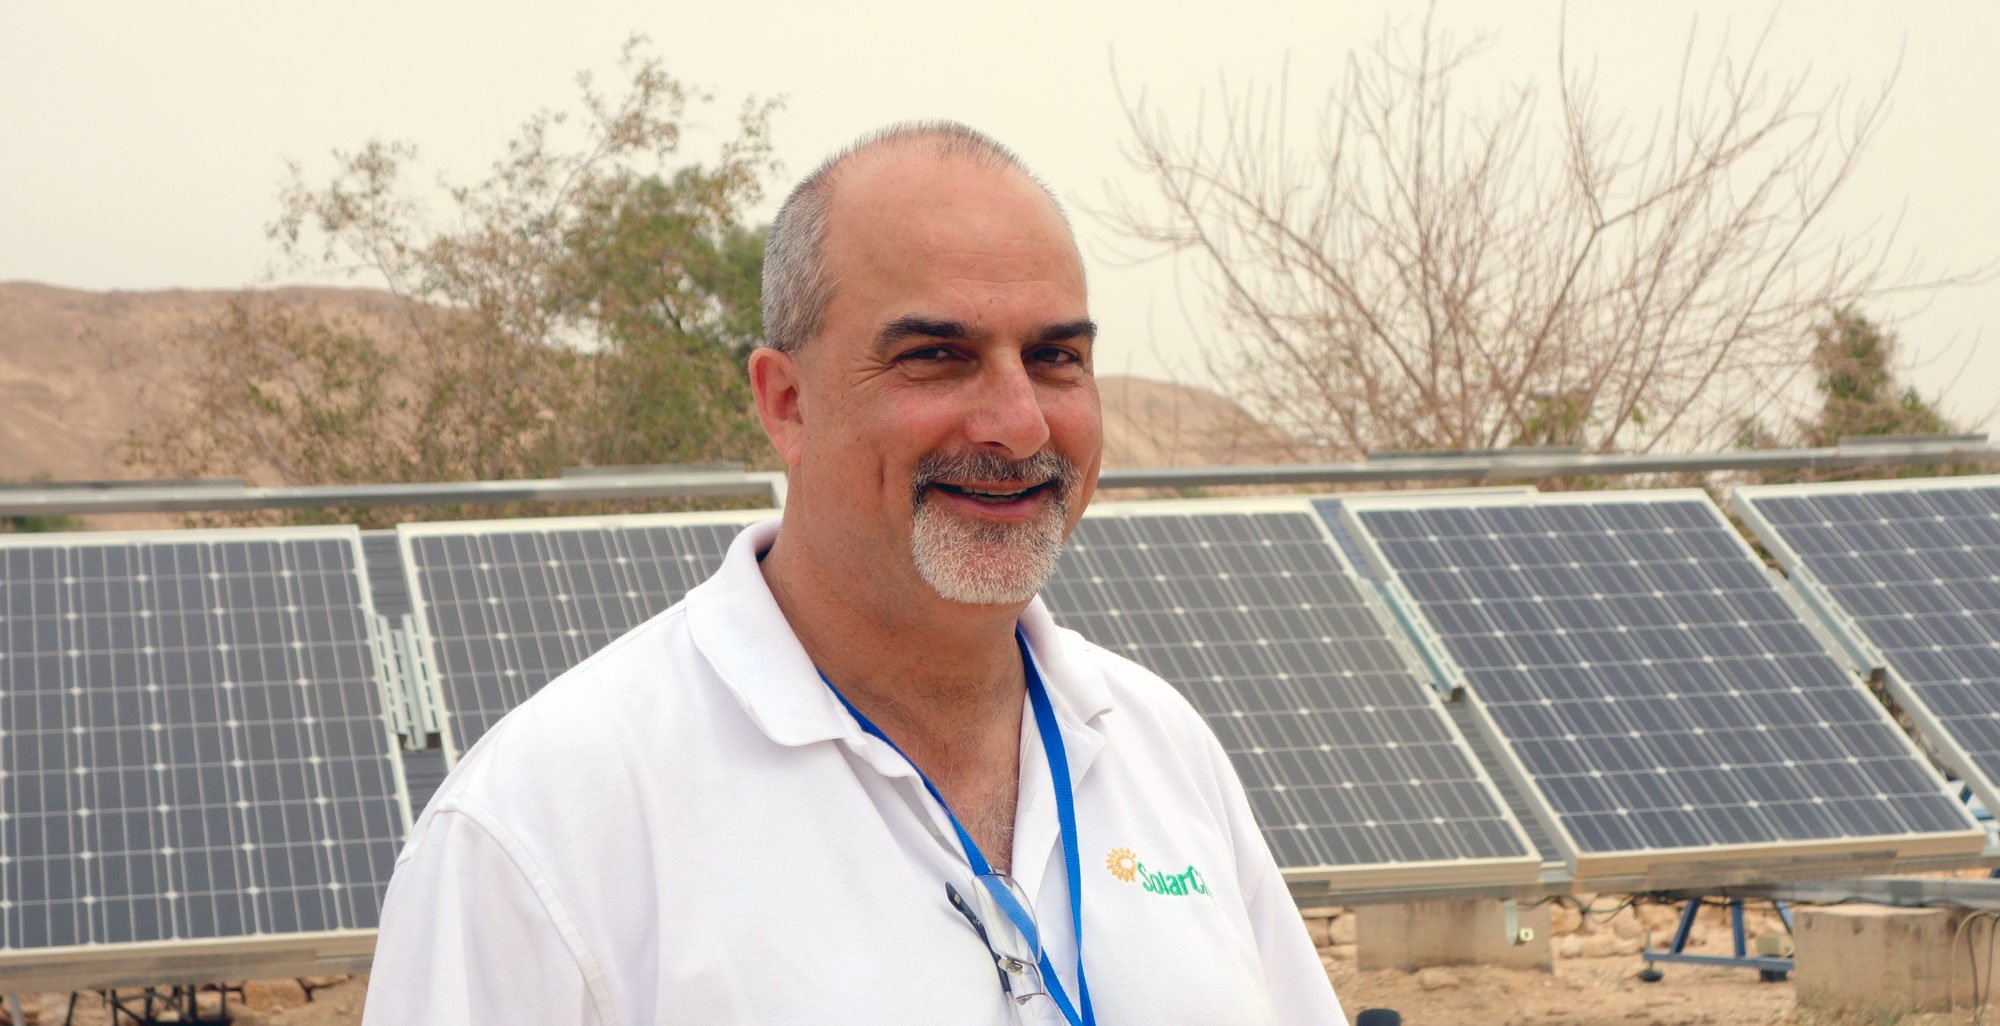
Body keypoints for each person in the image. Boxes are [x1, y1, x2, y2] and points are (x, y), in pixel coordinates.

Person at [361, 122, 1344, 1025]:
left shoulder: (1155, 745)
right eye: (935, 356)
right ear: (785, 402)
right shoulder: (544, 829)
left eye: (1052, 357)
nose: (1017, 423)